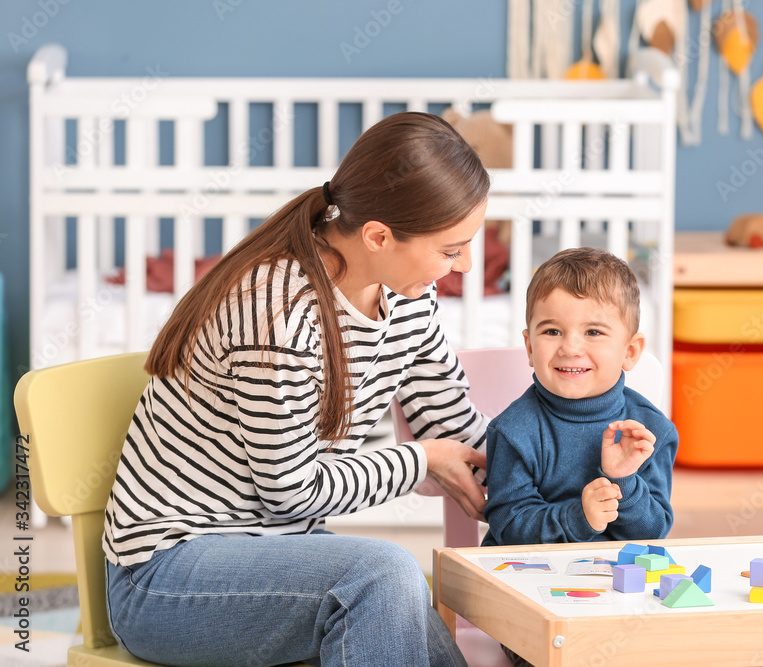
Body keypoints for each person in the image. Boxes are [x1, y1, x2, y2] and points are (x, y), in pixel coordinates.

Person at [102, 112, 492, 667]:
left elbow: (456, 426)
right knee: (382, 575)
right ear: (378, 236)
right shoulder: (276, 313)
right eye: (451, 250)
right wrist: (421, 461)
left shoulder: (408, 298)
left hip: (277, 553)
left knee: (412, 619)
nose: (468, 266)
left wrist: (562, 474)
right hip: (167, 576)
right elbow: (290, 495)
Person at [482, 247, 678, 547]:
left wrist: (623, 480)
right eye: (552, 331)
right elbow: (508, 526)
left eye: (594, 332)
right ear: (530, 348)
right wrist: (578, 517)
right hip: (526, 576)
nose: (570, 348)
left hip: (614, 583)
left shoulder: (649, 432)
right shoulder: (512, 430)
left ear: (630, 351)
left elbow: (653, 533)